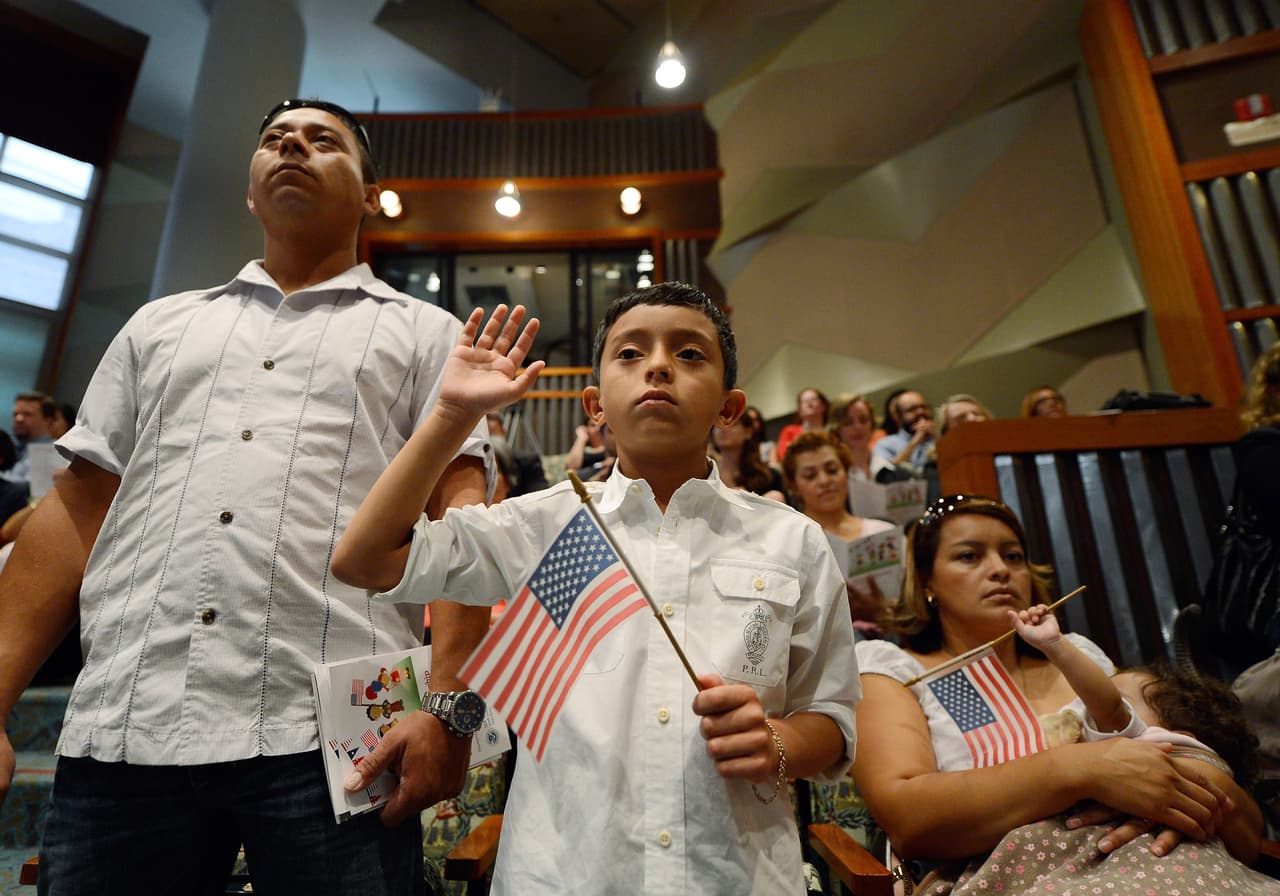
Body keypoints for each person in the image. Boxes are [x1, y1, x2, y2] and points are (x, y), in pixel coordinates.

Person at [0, 98, 493, 896]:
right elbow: (75, 514)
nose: (292, 145)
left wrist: (448, 706)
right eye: (274, 139)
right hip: (132, 715)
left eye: (323, 141)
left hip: (339, 733)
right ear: (251, 190)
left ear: (372, 195)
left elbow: (462, 526)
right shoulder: (158, 326)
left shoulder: (430, 335)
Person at [332, 284, 860, 895]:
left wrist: (778, 741)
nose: (658, 365)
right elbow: (365, 558)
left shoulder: (792, 540)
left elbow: (832, 717)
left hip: (734, 876)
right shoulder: (542, 526)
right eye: (630, 353)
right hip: (563, 874)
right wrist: (452, 415)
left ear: (729, 407)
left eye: (690, 354)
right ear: (596, 405)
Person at [853, 494, 1263, 894]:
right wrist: (1085, 769)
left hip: (1172, 862)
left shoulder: (1077, 655)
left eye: (1014, 556)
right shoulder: (898, 671)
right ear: (927, 580)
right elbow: (908, 821)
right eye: (969, 556)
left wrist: (1174, 797)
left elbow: (1214, 794)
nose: (1000, 570)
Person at [782, 430, 897, 638]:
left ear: (846, 472)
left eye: (832, 470)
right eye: (810, 476)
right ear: (794, 487)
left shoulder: (884, 532)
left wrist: (881, 610)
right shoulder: (791, 545)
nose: (824, 480)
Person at [828, 393, 911, 484]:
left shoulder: (894, 472)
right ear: (837, 428)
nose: (858, 427)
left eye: (863, 420)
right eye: (848, 422)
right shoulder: (831, 478)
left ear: (872, 424)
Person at [709, 409, 785, 500]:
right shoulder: (706, 477)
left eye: (732, 424)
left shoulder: (769, 477)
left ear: (748, 432)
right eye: (717, 425)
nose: (723, 429)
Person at [872, 389, 935, 471]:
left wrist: (937, 436)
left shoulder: (940, 436)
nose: (920, 411)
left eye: (924, 407)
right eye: (912, 409)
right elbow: (889, 473)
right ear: (897, 417)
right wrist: (916, 440)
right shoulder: (885, 444)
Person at [772, 387, 829, 464]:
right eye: (804, 401)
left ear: (823, 406)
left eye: (813, 399)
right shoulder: (789, 431)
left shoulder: (832, 431)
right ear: (800, 410)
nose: (809, 403)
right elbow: (785, 458)